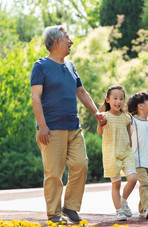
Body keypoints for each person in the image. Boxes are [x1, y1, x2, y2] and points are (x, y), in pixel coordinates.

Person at [30, 25, 106, 223]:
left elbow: (81, 91)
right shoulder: (41, 66)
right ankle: (54, 215)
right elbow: (36, 98)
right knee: (54, 174)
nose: (71, 41)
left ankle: (70, 207)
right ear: (56, 42)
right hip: (51, 129)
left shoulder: (71, 66)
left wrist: (96, 112)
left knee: (81, 165)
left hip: (73, 126)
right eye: (67, 38)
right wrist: (42, 126)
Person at [97, 85, 137, 221]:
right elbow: (100, 132)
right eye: (115, 98)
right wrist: (100, 125)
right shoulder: (104, 116)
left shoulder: (126, 117)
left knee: (133, 179)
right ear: (108, 100)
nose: (118, 101)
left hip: (126, 152)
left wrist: (131, 148)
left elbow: (128, 134)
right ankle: (119, 210)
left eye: (121, 99)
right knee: (117, 183)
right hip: (111, 154)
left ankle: (123, 201)